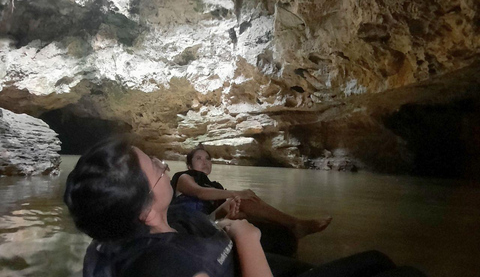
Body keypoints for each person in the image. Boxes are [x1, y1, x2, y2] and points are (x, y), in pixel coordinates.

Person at [64, 137, 427, 277]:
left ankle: (293, 230)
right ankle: (295, 226)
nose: (163, 166)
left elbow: (195, 222)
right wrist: (247, 238)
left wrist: (222, 221)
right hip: (245, 259)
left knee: (377, 261)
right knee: (399, 271)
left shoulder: (128, 227)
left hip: (233, 252)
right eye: (156, 169)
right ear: (143, 209)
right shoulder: (167, 265)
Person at [171, 147, 332, 240]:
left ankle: (286, 231)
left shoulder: (215, 186)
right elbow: (200, 193)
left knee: (240, 210)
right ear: (189, 165)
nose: (205, 161)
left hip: (209, 220)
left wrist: (234, 206)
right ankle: (295, 224)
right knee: (240, 199)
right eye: (199, 158)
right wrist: (237, 193)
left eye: (208, 158)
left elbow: (223, 204)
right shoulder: (184, 177)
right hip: (188, 222)